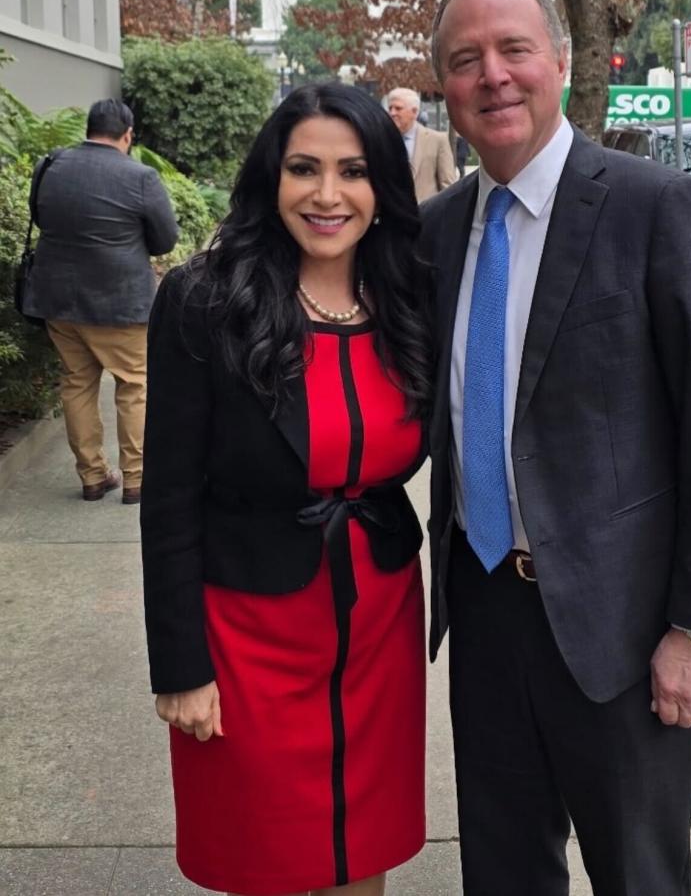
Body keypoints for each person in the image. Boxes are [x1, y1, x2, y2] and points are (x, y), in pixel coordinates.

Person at [420, 0, 691, 895]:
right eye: (465, 59)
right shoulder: (435, 233)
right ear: (445, 89)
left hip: (624, 626)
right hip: (485, 607)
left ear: (561, 64)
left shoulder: (656, 208)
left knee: (639, 875)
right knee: (502, 872)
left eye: (513, 49)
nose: (492, 74)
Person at [140, 84, 432, 896]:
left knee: (358, 846)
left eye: (354, 171)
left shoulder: (411, 295)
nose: (329, 194)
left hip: (378, 625)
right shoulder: (204, 300)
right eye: (305, 168)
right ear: (273, 178)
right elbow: (167, 496)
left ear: (384, 188)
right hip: (247, 633)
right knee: (264, 850)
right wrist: (179, 664)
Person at [24, 99, 178, 505]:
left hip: (58, 300)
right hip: (121, 304)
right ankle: (136, 479)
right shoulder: (140, 177)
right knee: (134, 385)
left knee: (76, 383)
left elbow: (40, 218)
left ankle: (92, 477)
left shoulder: (50, 165)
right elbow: (165, 240)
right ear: (127, 135)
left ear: (89, 129)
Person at [386, 86, 457, 202]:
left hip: (426, 216)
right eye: (390, 108)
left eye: (398, 108)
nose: (392, 113)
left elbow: (448, 186)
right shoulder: (381, 139)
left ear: (414, 112)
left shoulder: (437, 140)